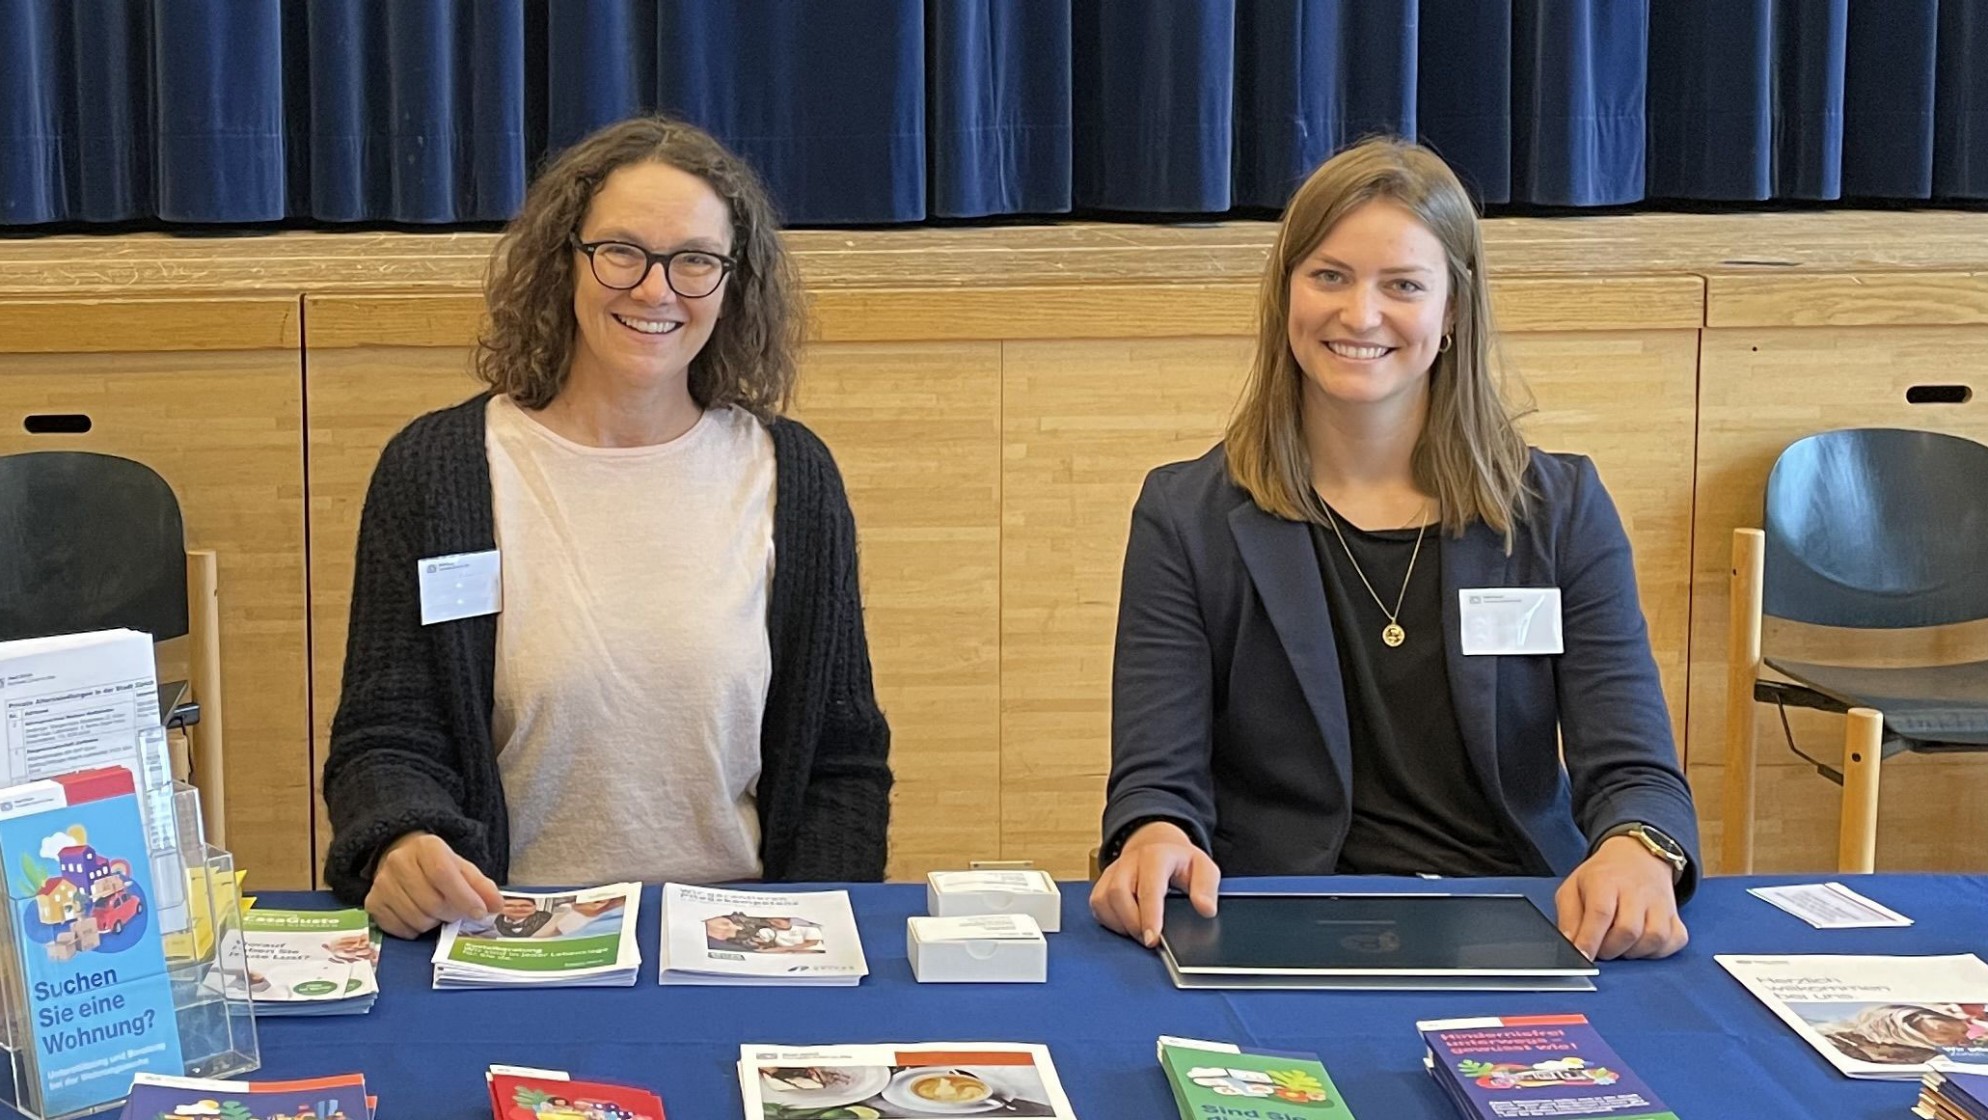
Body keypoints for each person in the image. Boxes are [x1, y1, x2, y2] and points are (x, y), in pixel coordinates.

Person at [1089, 137, 1700, 961]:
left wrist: (1637, 847)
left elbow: (1636, 770)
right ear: (1286, 294)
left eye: (1403, 285)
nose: (1361, 314)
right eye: (1329, 276)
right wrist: (1152, 835)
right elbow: (1157, 779)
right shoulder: (1186, 515)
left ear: (1452, 311)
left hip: (1516, 913)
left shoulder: (1561, 510)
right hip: (1276, 919)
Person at [320, 115, 893, 938]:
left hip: (737, 936)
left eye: (695, 260)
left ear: (734, 283)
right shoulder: (437, 470)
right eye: (622, 251)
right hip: (506, 934)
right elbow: (384, 735)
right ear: (566, 261)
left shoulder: (791, 476)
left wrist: (802, 944)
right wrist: (405, 835)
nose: (656, 290)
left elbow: (843, 761)